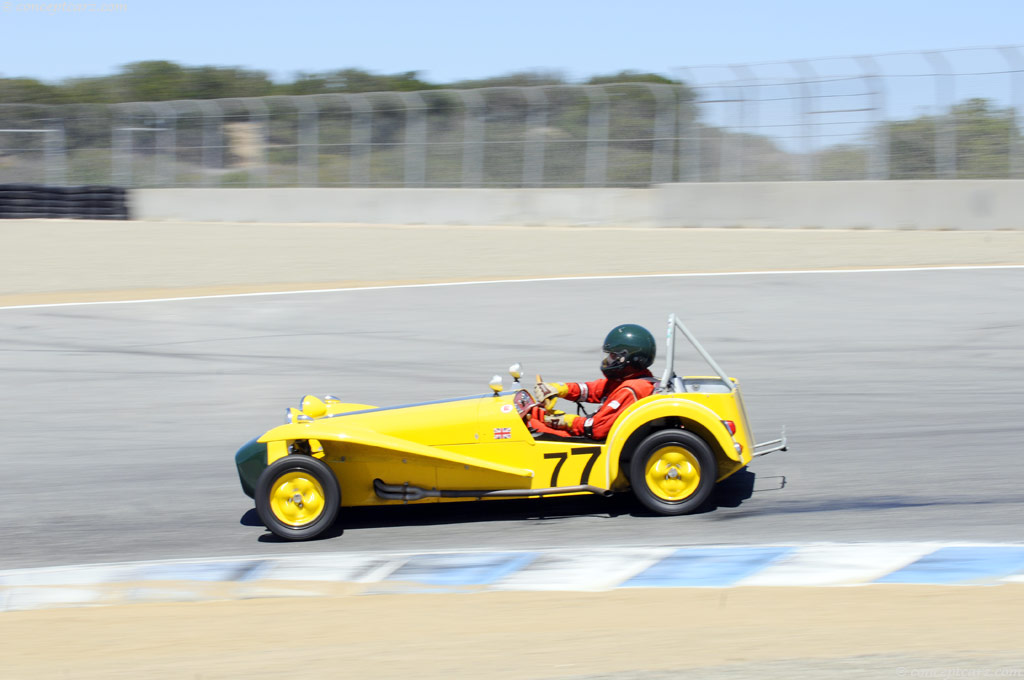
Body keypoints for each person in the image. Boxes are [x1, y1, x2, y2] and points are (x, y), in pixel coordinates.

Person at [532, 323, 658, 439]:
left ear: (628, 358)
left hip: (597, 442)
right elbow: (594, 389)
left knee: (528, 426)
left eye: (613, 356)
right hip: (600, 435)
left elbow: (597, 428)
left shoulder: (631, 389)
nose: (607, 360)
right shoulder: (635, 379)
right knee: (534, 414)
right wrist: (560, 388)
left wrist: (567, 421)